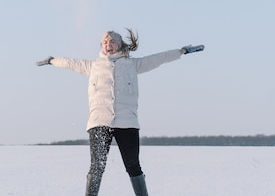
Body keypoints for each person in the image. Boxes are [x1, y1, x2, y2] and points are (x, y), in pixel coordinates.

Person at [36, 28, 204, 196]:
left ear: (120, 45)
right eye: (105, 42)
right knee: (97, 167)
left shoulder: (133, 64)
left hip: (127, 122)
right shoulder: (92, 66)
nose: (108, 45)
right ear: (101, 46)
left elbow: (158, 59)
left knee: (133, 166)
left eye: (112, 41)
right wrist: (52, 60)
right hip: (99, 122)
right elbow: (70, 62)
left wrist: (181, 51)